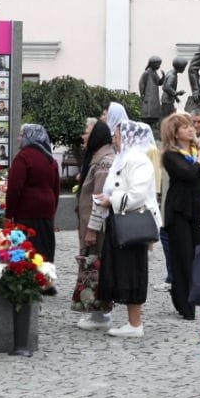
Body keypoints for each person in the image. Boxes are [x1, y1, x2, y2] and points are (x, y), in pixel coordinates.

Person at [95, 120, 161, 338]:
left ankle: (135, 323)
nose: (114, 139)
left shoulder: (139, 160)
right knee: (120, 271)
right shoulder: (124, 159)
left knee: (133, 271)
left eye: (117, 135)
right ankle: (128, 321)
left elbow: (137, 195)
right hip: (120, 221)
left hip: (132, 223)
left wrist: (110, 200)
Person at [160, 112, 200, 321]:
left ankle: (189, 296)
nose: (190, 129)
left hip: (196, 210)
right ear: (175, 133)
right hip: (180, 211)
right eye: (185, 127)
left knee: (195, 256)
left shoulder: (192, 150)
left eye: (191, 126)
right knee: (182, 257)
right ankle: (185, 303)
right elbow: (190, 174)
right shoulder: (171, 155)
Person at [74, 118, 116, 330]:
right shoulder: (98, 158)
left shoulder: (104, 162)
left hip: (97, 228)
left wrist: (92, 229)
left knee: (95, 267)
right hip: (91, 225)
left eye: (87, 132)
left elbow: (99, 200)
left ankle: (99, 314)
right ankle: (96, 312)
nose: (84, 136)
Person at [5, 124, 62, 261]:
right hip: (46, 213)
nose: (19, 139)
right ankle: (46, 277)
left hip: (26, 212)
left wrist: (9, 214)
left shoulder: (23, 157)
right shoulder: (50, 159)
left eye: (21, 135)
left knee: (28, 250)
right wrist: (52, 211)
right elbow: (56, 188)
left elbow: (14, 188)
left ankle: (31, 278)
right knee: (44, 249)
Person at [139, 56, 164, 126]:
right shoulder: (146, 73)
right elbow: (141, 83)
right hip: (148, 96)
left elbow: (159, 83)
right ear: (152, 63)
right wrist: (142, 94)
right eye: (157, 64)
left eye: (159, 64)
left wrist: (163, 77)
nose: (159, 66)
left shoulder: (154, 73)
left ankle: (152, 124)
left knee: (154, 113)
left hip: (154, 96)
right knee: (148, 113)